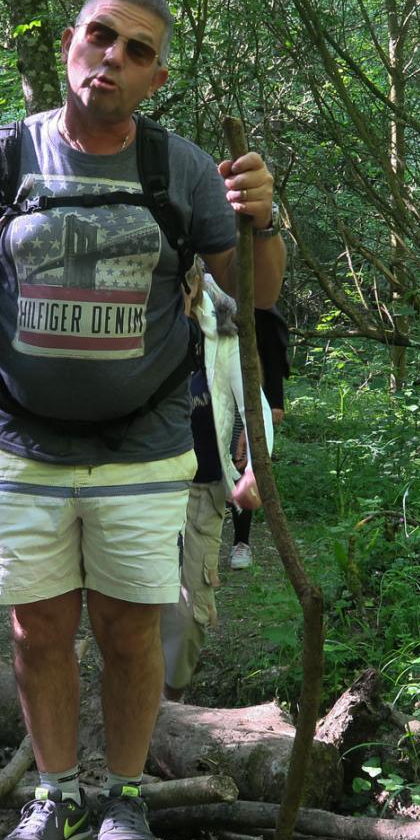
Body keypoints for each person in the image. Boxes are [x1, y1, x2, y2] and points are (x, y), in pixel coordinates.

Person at [0, 0, 285, 840]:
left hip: (145, 442)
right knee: (38, 629)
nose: (113, 58)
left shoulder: (179, 169)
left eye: (137, 51)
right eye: (101, 37)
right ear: (70, 43)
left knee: (134, 629)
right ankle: (55, 791)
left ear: (156, 77)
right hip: (22, 443)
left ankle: (126, 797)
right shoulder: (8, 153)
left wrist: (265, 218)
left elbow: (253, 292)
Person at [162, 272, 269, 700]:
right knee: (137, 604)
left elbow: (253, 399)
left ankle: (172, 705)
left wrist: (255, 469)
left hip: (201, 491)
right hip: (139, 488)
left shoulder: (222, 331)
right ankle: (136, 698)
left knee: (188, 614)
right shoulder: (141, 321)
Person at [228, 304, 289, 570]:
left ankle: (241, 543)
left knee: (242, 462)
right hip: (207, 389)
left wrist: (275, 399)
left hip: (250, 390)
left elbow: (271, 347)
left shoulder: (255, 298)